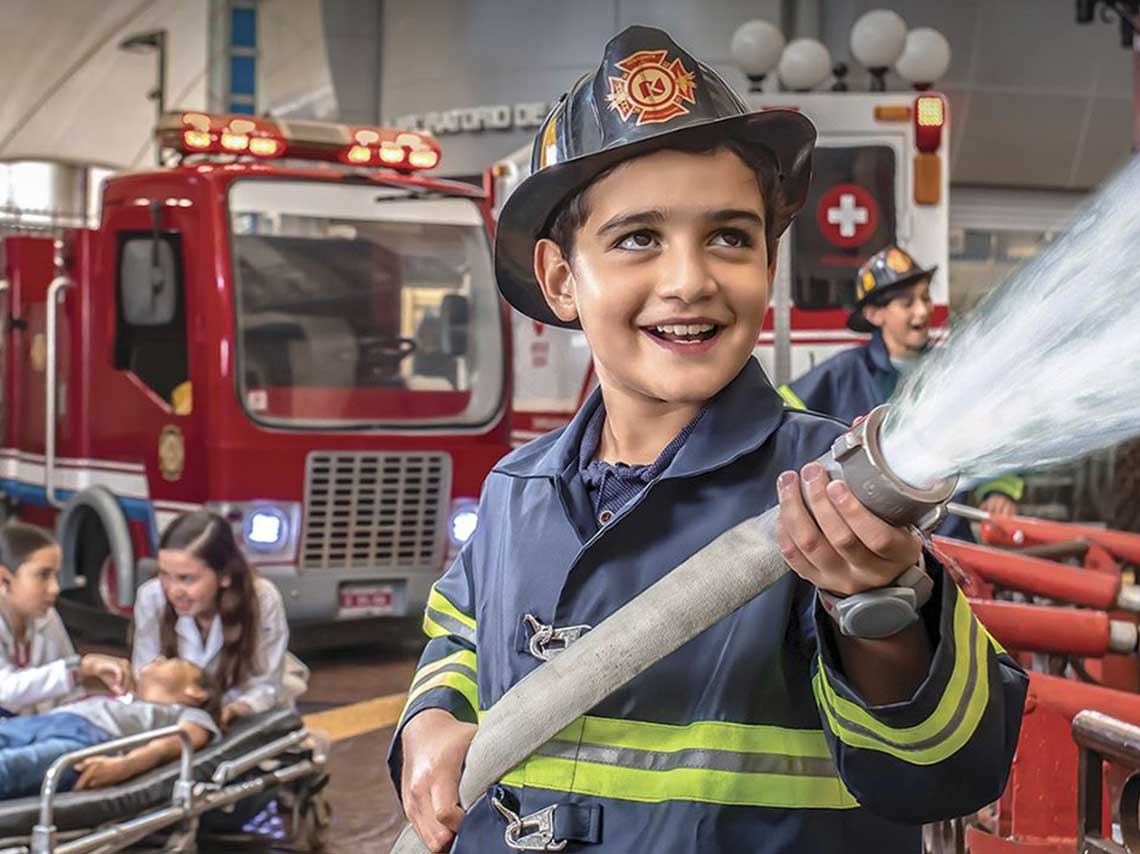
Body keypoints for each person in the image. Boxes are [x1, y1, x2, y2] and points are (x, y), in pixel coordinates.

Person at [389, 26, 1028, 854]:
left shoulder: (825, 496)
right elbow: (459, 633)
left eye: (730, 236)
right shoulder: (519, 488)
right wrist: (434, 719)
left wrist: (882, 611)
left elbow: (950, 773)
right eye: (638, 239)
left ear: (769, 261)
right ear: (558, 279)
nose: (690, 279)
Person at [777, 246, 1024, 530]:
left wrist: (998, 490)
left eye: (926, 298)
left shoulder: (951, 370)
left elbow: (992, 432)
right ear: (874, 314)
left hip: (949, 534)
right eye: (907, 303)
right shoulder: (844, 373)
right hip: (871, 538)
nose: (922, 310)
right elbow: (784, 424)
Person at [131, 511, 306, 729]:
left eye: (187, 578)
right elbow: (145, 675)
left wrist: (228, 713)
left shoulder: (262, 599)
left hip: (245, 717)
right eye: (165, 575)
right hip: (174, 719)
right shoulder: (151, 596)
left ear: (224, 576)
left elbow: (265, 686)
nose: (173, 591)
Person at [0, 656, 219, 798]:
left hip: (87, 742)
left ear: (196, 692)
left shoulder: (188, 713)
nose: (159, 658)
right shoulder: (125, 701)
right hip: (45, 721)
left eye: (172, 660)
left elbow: (186, 738)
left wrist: (125, 765)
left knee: (10, 767)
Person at [0, 522, 131, 717]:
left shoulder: (46, 616)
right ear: (3, 580)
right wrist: (81, 668)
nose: (54, 588)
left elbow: (68, 691)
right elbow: (5, 691)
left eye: (56, 575)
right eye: (43, 575)